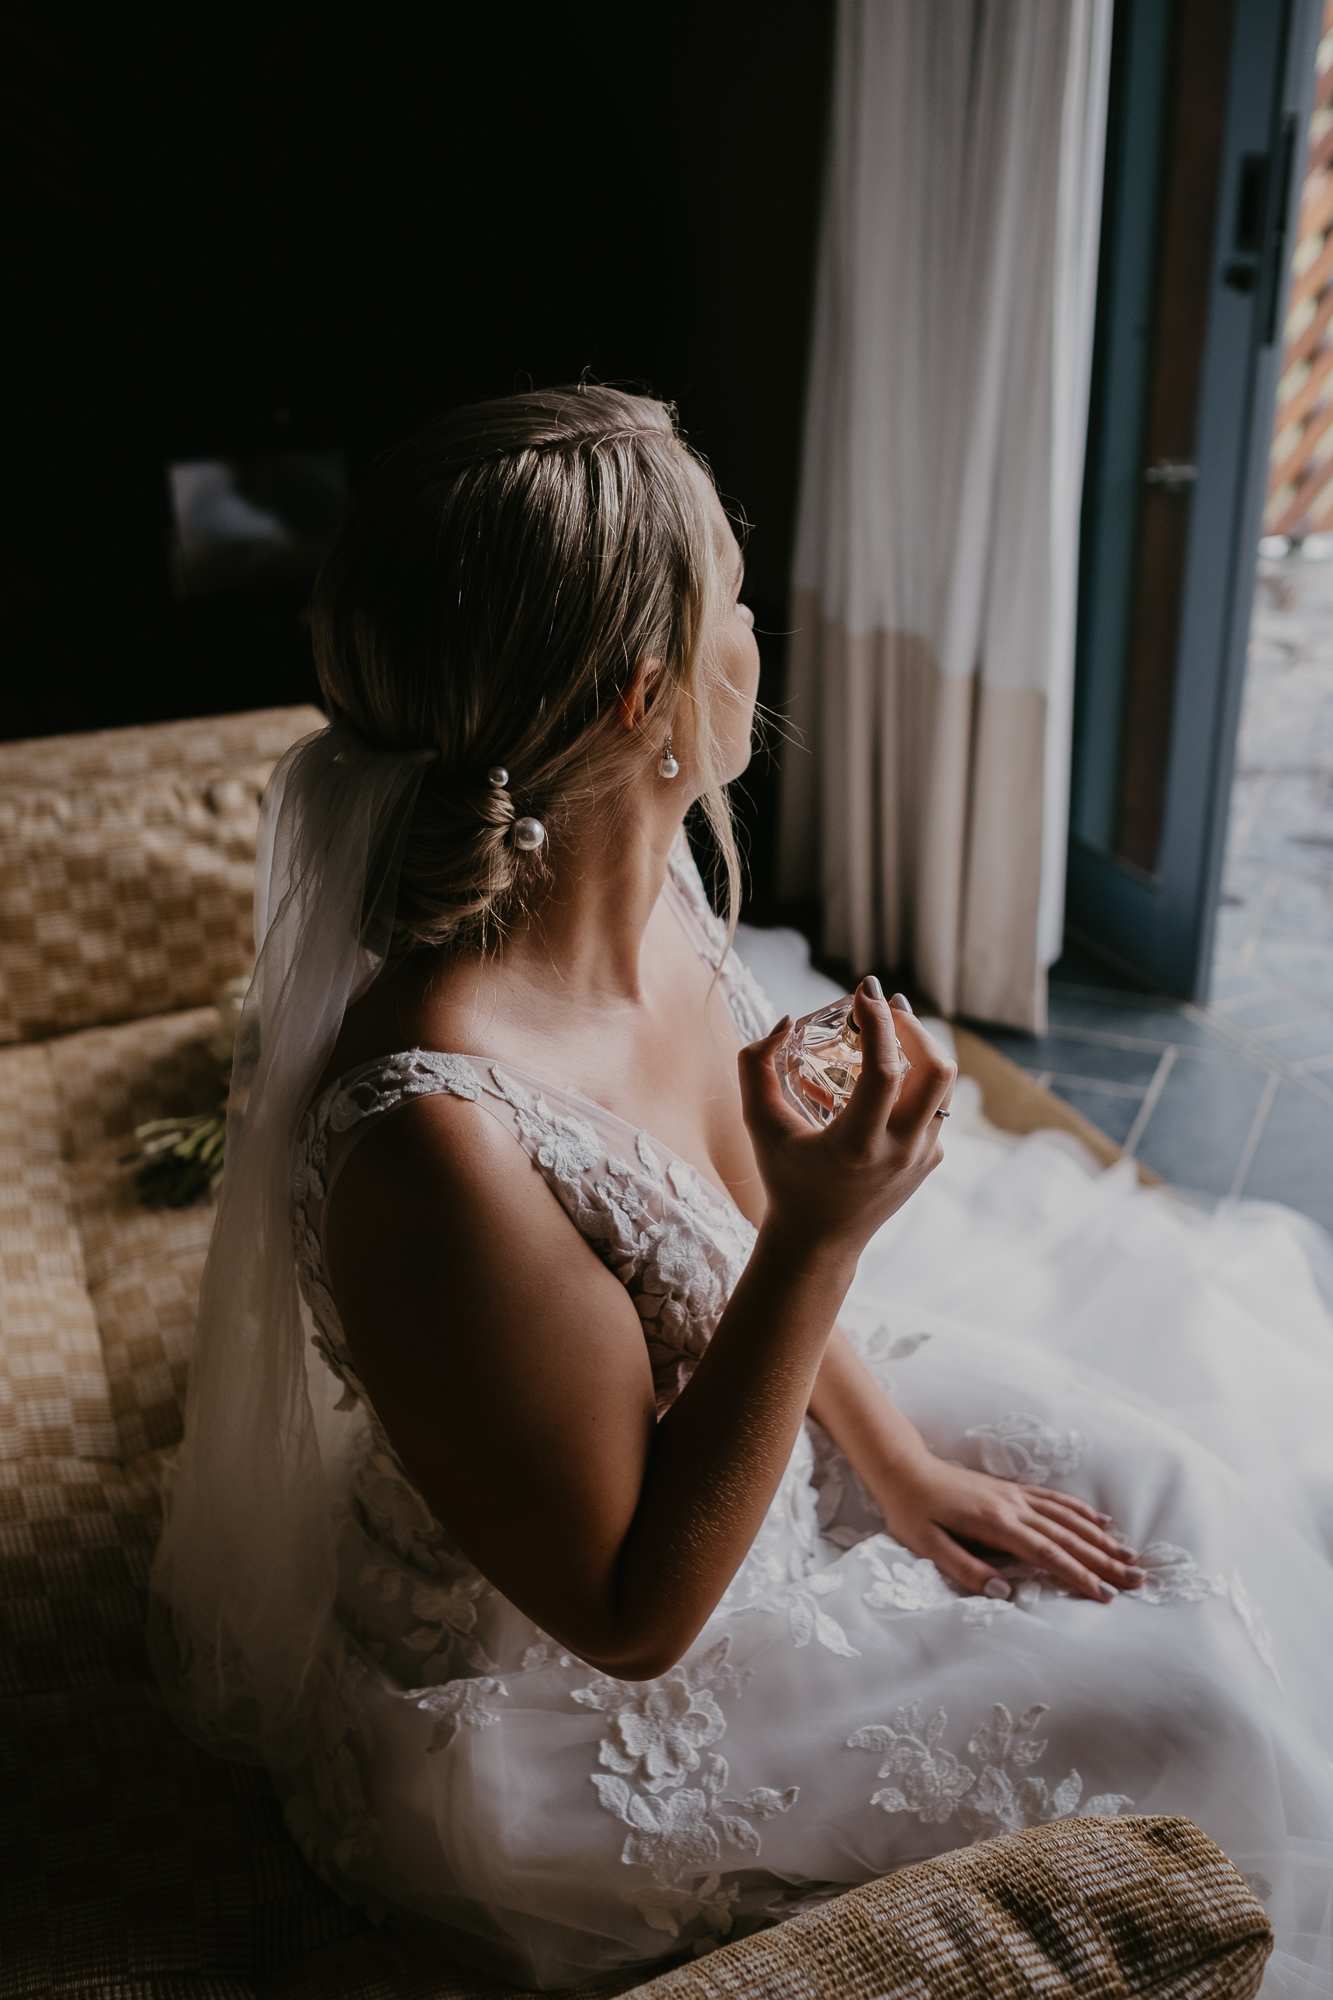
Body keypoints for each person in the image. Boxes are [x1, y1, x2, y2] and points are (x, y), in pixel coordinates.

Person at [151, 387, 1333, 1994]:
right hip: (579, 1694)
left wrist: (901, 1465)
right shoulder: (436, 1141)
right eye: (735, 599)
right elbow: (627, 1617)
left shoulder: (651, 913)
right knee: (1190, 1701)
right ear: (645, 696)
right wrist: (825, 1234)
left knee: (1176, 1503)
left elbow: (719, 1234)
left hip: (752, 1442)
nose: (757, 633)